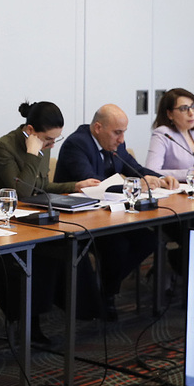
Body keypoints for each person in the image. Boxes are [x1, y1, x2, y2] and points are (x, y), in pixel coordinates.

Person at [0, 101, 98, 343]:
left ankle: (84, 309)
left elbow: (42, 186)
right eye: (48, 140)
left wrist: (75, 186)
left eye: (55, 140)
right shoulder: (4, 147)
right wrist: (32, 153)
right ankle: (28, 321)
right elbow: (22, 192)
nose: (51, 145)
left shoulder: (42, 146)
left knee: (71, 244)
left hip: (31, 218)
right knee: (40, 255)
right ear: (30, 131)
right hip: (1, 222)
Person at [54, 104, 174, 320]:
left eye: (123, 133)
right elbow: (94, 184)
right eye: (117, 132)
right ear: (98, 128)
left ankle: (104, 289)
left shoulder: (116, 143)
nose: (121, 139)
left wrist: (160, 178)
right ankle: (104, 295)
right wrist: (135, 184)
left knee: (150, 241)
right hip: (79, 220)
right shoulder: (77, 144)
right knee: (117, 246)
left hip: (110, 216)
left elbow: (134, 168)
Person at [145, 88, 194, 182]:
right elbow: (151, 171)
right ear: (170, 114)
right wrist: (190, 174)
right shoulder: (162, 134)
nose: (191, 113)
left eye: (193, 107)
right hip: (176, 188)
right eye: (184, 109)